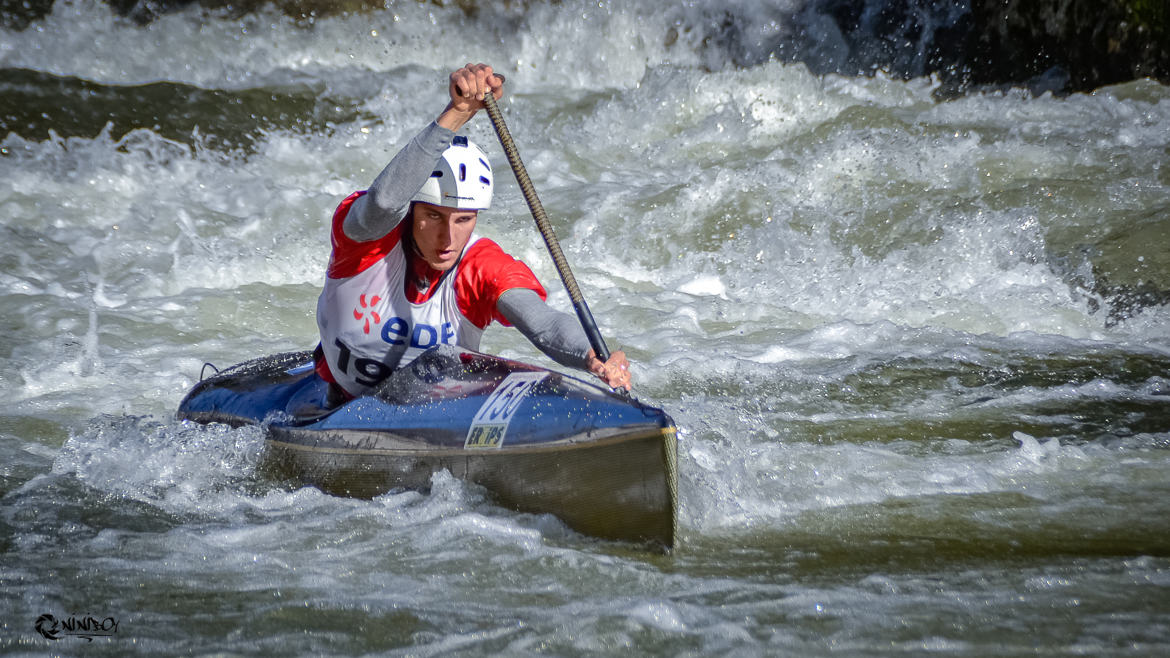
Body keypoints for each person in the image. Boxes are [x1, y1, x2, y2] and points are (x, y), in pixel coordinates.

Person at [314, 63, 631, 401]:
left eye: (463, 219)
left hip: (436, 417)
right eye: (434, 216)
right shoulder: (367, 242)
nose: (447, 238)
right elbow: (384, 200)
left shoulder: (480, 265)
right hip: (341, 404)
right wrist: (459, 111)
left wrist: (591, 357)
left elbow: (543, 323)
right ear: (412, 208)